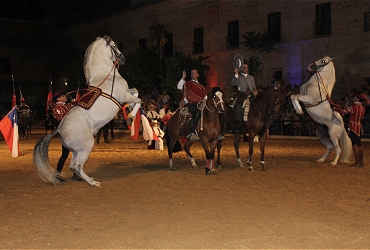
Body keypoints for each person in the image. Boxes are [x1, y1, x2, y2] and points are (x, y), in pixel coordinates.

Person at [52, 90, 82, 182]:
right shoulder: (57, 108)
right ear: (59, 98)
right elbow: (64, 119)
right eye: (63, 96)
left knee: (76, 154)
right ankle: (57, 174)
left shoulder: (66, 106)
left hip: (72, 133)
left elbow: (78, 104)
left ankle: (75, 174)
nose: (65, 97)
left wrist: (72, 100)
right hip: (66, 134)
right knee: (65, 155)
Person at [334, 95, 365, 167]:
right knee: (360, 145)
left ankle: (357, 162)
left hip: (354, 127)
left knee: (355, 144)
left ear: (357, 99)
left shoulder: (354, 108)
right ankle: (361, 162)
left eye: (354, 98)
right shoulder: (363, 108)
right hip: (359, 127)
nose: (353, 99)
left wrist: (335, 108)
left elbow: (344, 111)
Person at [177, 69, 207, 141]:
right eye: (192, 73)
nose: (192, 74)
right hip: (189, 104)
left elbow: (205, 95)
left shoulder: (201, 86)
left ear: (198, 75)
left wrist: (204, 101)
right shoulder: (187, 84)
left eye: (194, 73)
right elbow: (179, 86)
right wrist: (183, 78)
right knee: (197, 112)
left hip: (199, 104)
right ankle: (192, 132)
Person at [230, 62, 257, 131]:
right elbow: (233, 83)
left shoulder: (251, 77)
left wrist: (255, 91)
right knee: (238, 106)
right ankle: (238, 124)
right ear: (241, 69)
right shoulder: (238, 77)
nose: (245, 69)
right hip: (241, 95)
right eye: (244, 67)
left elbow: (254, 87)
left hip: (251, 95)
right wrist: (236, 74)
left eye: (246, 67)